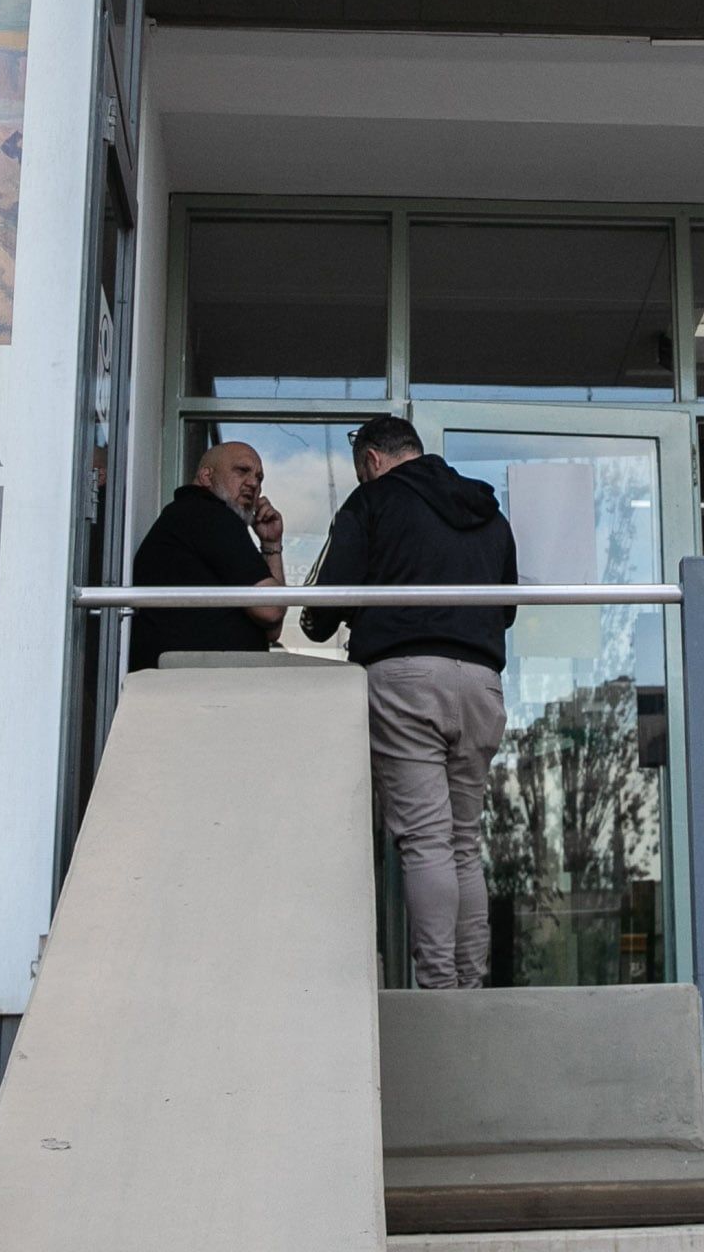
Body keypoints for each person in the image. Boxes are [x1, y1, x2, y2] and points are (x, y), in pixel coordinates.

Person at [303, 416, 518, 991]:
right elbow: (508, 608)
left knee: (425, 840)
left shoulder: (371, 503)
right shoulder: (488, 513)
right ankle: (469, 988)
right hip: (481, 681)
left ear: (372, 460)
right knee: (462, 842)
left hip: (404, 678)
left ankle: (439, 993)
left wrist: (314, 614)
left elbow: (324, 610)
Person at [126, 440, 287, 671]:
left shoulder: (190, 516)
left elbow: (272, 628)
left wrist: (271, 544)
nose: (253, 483)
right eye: (242, 471)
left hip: (193, 681)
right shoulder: (205, 513)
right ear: (206, 476)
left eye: (259, 478)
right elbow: (270, 610)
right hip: (195, 683)